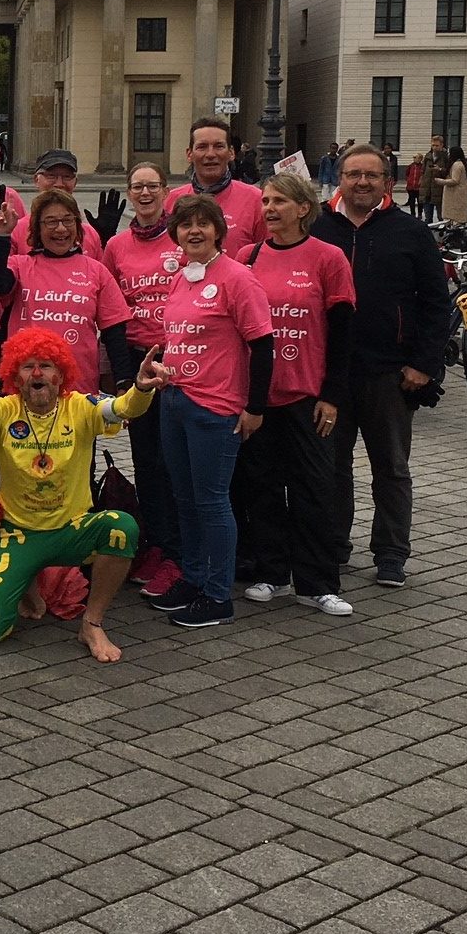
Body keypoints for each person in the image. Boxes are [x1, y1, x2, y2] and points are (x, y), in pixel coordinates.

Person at [0, 328, 170, 662]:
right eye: (27, 367)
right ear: (15, 377)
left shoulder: (80, 407)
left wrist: (141, 388)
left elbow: (124, 408)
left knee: (121, 527)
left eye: (46, 366)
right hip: (20, 536)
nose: (37, 374)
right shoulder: (4, 410)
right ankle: (28, 584)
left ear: (61, 374)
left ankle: (92, 624)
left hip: (72, 531)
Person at [311, 143, 450, 588]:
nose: (362, 182)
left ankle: (391, 553)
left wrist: (424, 364)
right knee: (332, 466)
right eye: (354, 174)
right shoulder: (317, 227)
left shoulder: (411, 232)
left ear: (387, 182)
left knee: (390, 468)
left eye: (372, 175)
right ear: (340, 179)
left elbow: (436, 304)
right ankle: (333, 545)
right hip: (330, 373)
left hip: (390, 372)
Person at [149, 195, 274, 629]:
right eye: (186, 225)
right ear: (176, 234)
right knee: (184, 499)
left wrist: (255, 407)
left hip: (215, 408)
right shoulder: (181, 278)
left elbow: (263, 344)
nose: (194, 231)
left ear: (219, 231)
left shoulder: (238, 278)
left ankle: (218, 596)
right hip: (174, 401)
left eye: (204, 224)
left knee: (212, 502)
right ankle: (193, 578)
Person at [237, 174, 357, 617]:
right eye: (265, 201)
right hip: (258, 396)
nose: (269, 209)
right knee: (262, 487)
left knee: (315, 489)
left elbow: (343, 334)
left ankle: (318, 583)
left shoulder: (328, 257)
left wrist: (332, 395)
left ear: (304, 208)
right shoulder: (247, 257)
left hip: (308, 396)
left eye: (280, 201)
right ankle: (273, 573)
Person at [102, 162, 183, 594]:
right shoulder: (116, 246)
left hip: (182, 361)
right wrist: (118, 377)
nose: (145, 193)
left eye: (153, 186)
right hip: (138, 362)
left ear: (166, 191)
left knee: (177, 461)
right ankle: (157, 543)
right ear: (129, 193)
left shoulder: (182, 237)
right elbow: (111, 314)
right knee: (148, 460)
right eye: (138, 187)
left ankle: (179, 553)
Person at [0, 189, 136, 394]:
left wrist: (123, 383)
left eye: (68, 220)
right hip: (26, 390)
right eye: (51, 222)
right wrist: (2, 236)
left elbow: (114, 333)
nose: (61, 228)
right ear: (37, 229)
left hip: (78, 392)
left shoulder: (96, 271)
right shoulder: (20, 265)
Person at [165, 117, 268, 255]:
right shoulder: (171, 201)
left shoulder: (256, 200)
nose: (210, 154)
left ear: (231, 153)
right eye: (202, 147)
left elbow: (268, 256)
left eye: (219, 146)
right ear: (189, 154)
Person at [14, 151, 111, 258]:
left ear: (75, 182)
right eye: (51, 176)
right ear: (36, 180)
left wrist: (105, 240)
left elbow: (101, 267)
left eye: (67, 176)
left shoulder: (90, 234)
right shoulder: (16, 231)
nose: (59, 184)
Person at [439, 145, 467, 223]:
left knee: (453, 219)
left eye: (449, 153)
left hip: (454, 195)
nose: (448, 155)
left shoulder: (456, 165)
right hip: (461, 195)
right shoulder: (463, 164)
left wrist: (441, 181)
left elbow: (455, 180)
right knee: (460, 219)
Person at [422, 134, 448, 225]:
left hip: (439, 189)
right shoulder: (428, 156)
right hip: (427, 189)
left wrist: (440, 169)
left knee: (441, 217)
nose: (434, 148)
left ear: (442, 145)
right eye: (433, 145)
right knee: (428, 217)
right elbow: (423, 171)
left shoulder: (445, 157)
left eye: (437, 145)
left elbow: (448, 172)